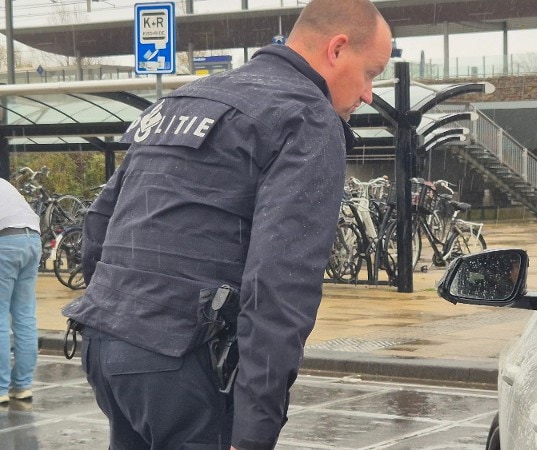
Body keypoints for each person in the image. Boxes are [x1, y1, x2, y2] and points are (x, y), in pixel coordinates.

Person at [62, 0, 393, 448]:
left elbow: (100, 224)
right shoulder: (307, 117)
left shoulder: (188, 97)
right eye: (371, 73)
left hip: (106, 345)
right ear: (337, 49)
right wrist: (255, 427)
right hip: (185, 365)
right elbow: (280, 284)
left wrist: (121, 317)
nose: (370, 94)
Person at [0, 177, 42, 405]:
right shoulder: (4, 184)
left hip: (3, 241)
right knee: (25, 316)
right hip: (32, 240)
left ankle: (0, 388)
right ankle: (23, 385)